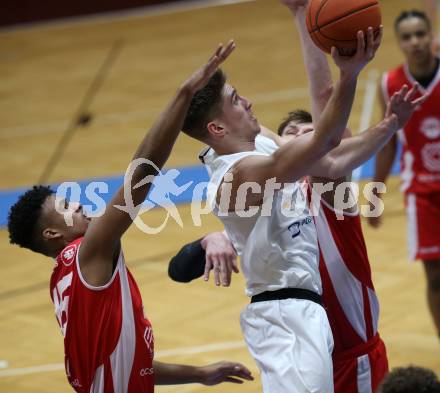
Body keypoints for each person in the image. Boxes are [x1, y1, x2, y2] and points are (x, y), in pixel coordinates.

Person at [7, 42, 254, 393]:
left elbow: (131, 366)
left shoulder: (66, 280)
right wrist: (184, 94)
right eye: (68, 208)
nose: (81, 208)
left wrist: (197, 373)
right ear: (51, 233)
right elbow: (142, 174)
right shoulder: (84, 254)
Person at [178, 0, 393, 387]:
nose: (248, 102)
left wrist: (300, 15)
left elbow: (326, 153)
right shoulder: (240, 173)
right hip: (286, 313)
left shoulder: (259, 144)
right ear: (218, 128)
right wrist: (350, 74)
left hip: (308, 315)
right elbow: (325, 137)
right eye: (236, 101)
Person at [368, 9, 440, 339]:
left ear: (431, 36)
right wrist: (376, 192)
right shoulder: (392, 83)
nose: (415, 42)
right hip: (422, 193)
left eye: (420, 34)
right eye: (407, 37)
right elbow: (387, 144)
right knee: (435, 276)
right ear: (399, 43)